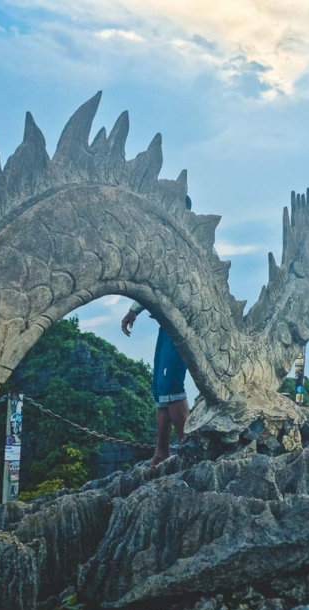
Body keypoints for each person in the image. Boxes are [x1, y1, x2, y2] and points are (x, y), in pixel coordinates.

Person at [120, 196, 193, 467]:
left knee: (172, 385)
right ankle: (162, 452)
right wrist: (134, 310)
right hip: (165, 323)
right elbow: (154, 281)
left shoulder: (186, 247)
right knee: (160, 389)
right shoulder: (165, 245)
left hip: (183, 325)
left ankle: (187, 451)